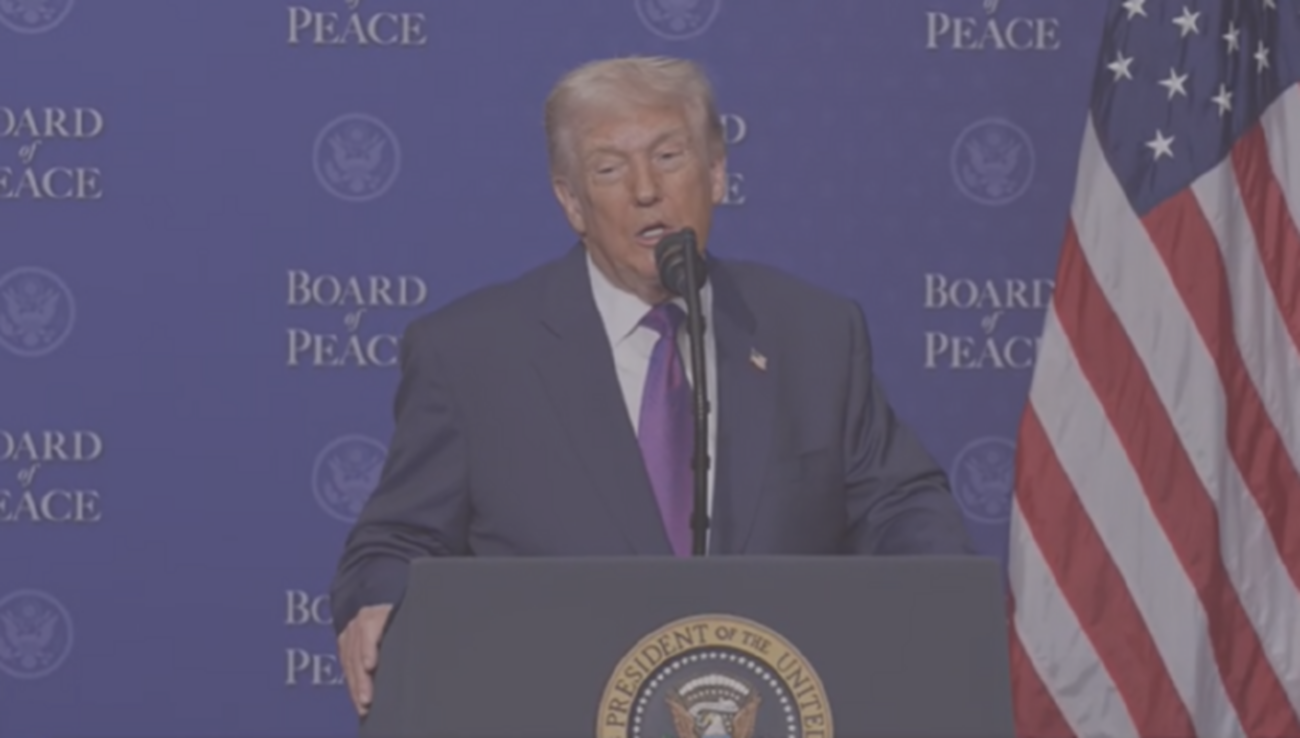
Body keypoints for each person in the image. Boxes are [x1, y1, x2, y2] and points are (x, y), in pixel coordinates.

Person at [329, 55, 973, 716]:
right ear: (572, 201)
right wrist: (382, 602)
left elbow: (901, 505)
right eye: (609, 169)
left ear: (716, 173)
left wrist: (936, 603)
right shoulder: (471, 356)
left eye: (669, 157)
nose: (646, 190)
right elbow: (396, 542)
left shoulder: (813, 334)